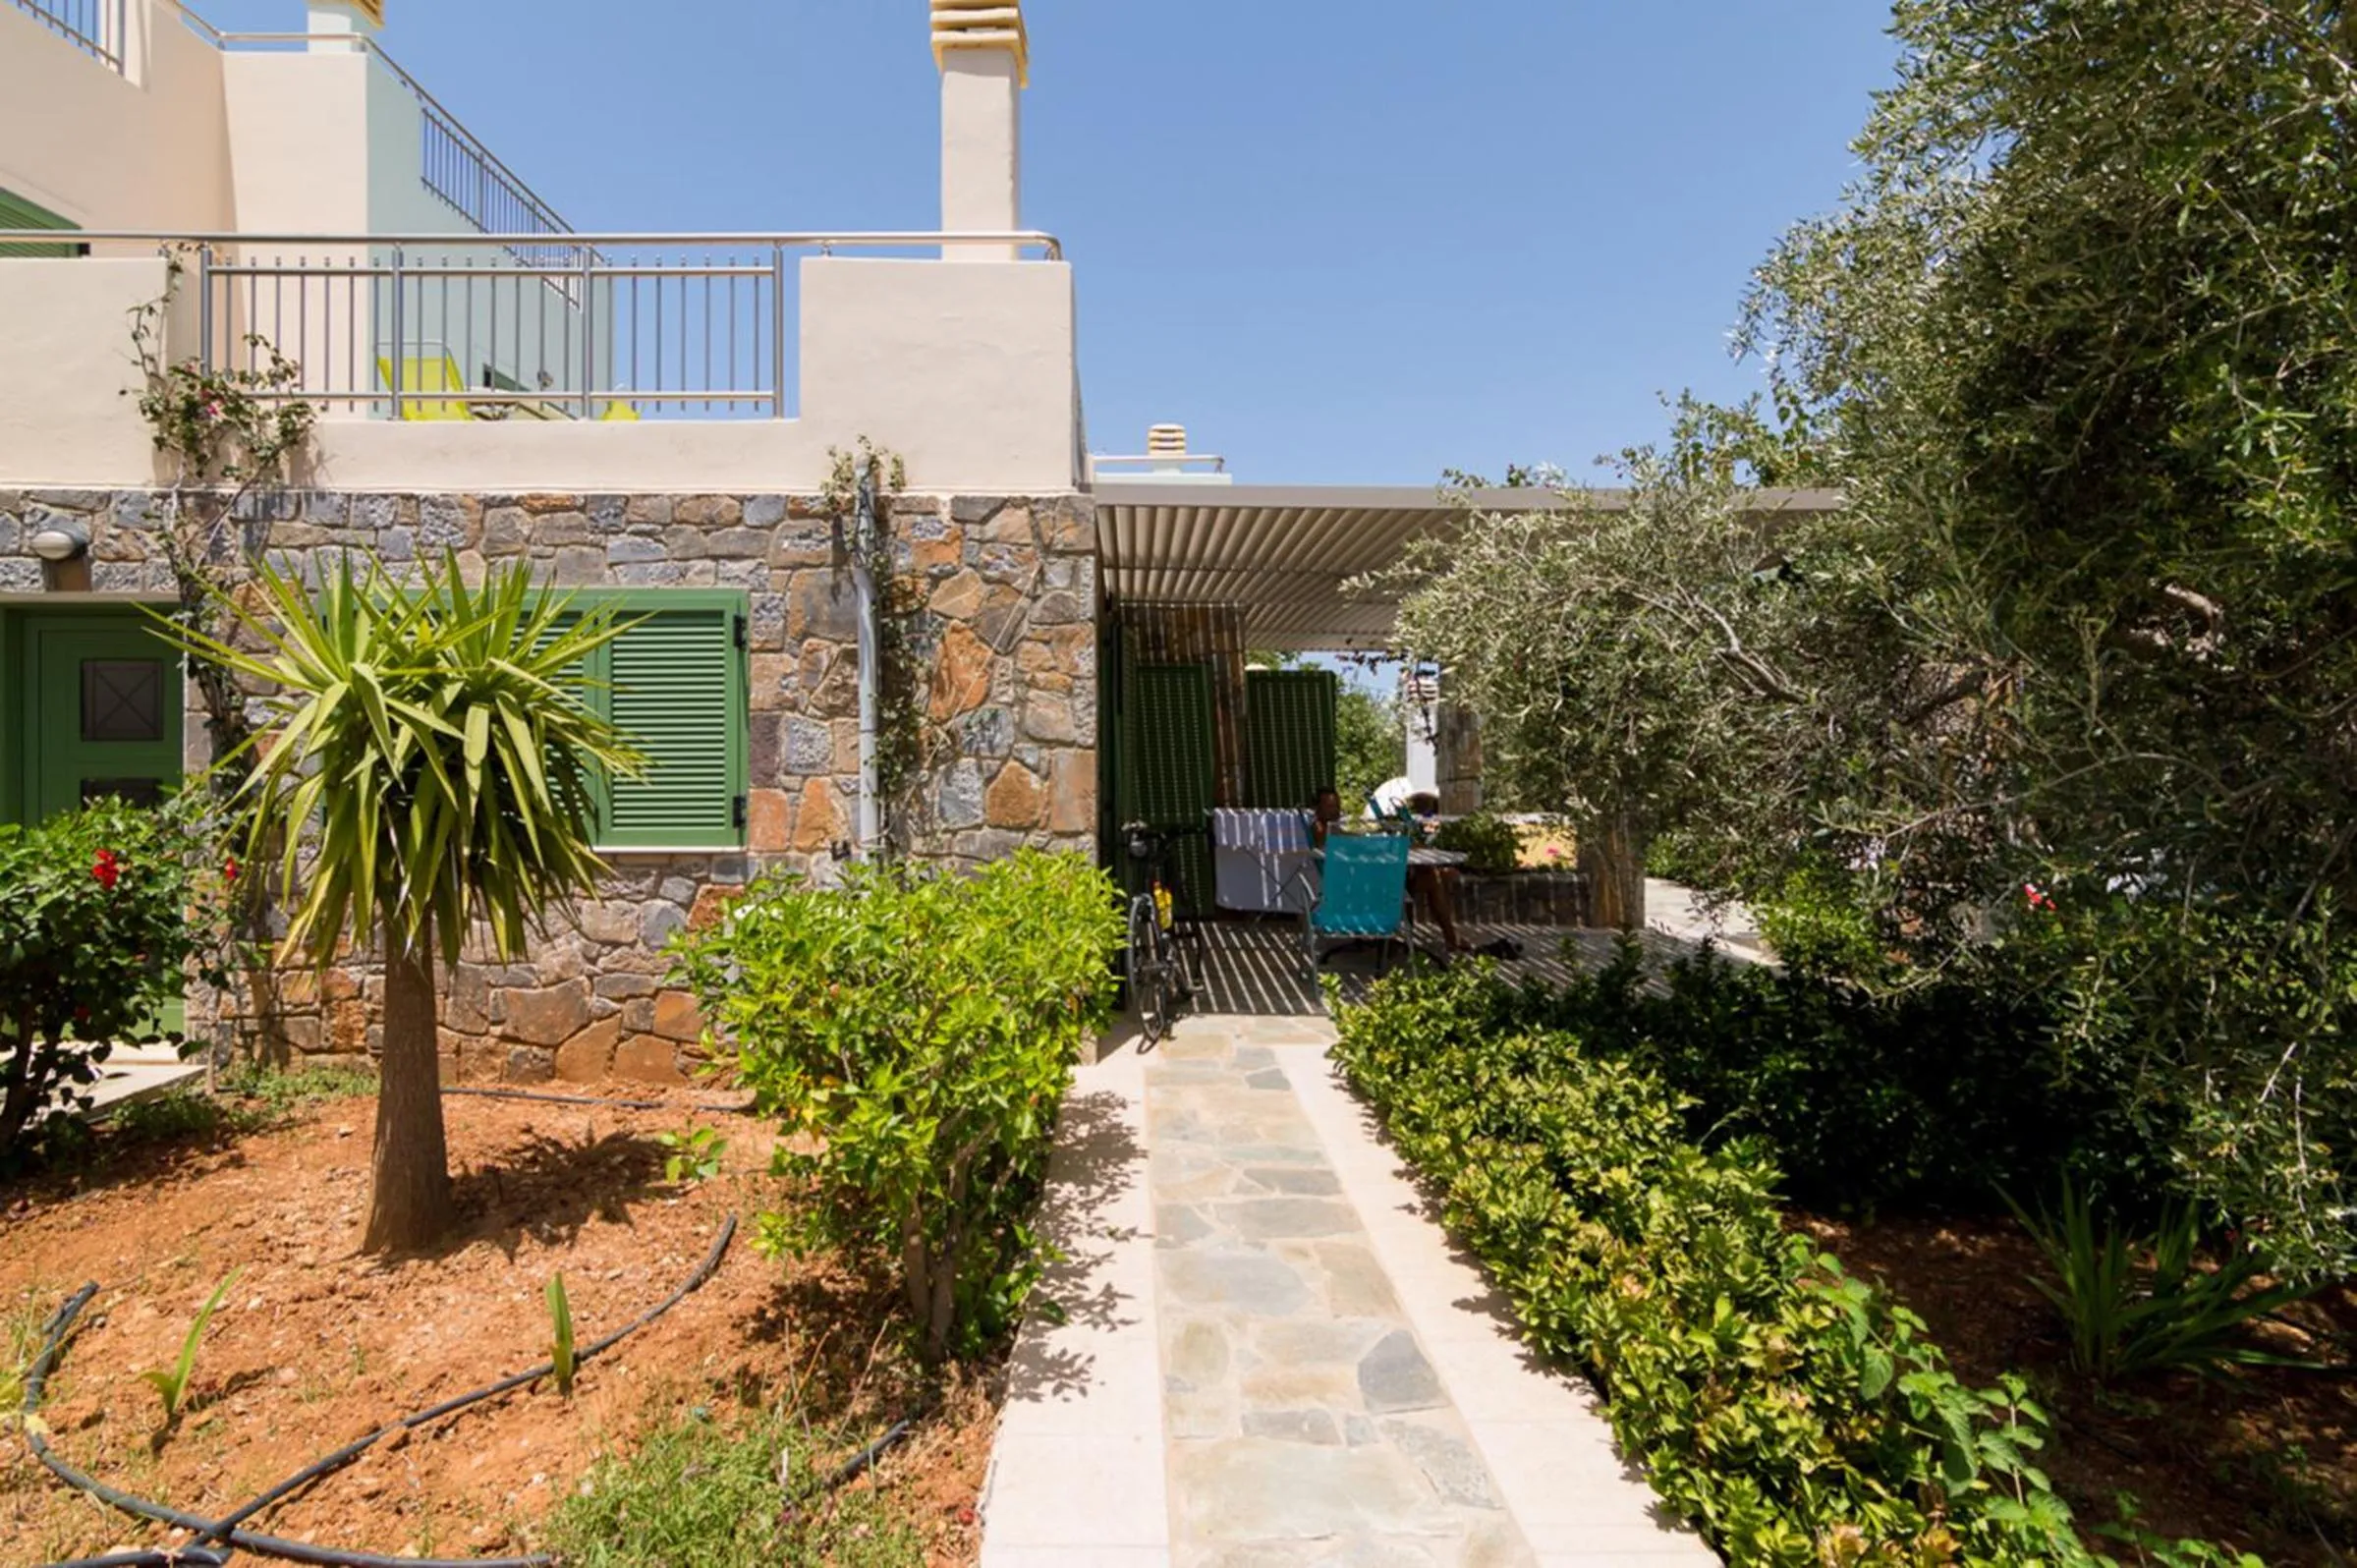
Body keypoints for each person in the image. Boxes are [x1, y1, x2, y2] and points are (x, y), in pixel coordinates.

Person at [1311, 784, 1469, 954]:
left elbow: (1355, 844)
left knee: (1428, 875)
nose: (1335, 810)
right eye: (1330, 806)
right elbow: (1350, 844)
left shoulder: (1332, 830)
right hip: (1360, 889)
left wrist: (1372, 842)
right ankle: (1445, 939)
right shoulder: (1323, 830)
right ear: (1317, 808)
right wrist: (1374, 843)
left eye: (1337, 805)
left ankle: (1432, 938)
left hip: (1363, 883)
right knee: (1431, 879)